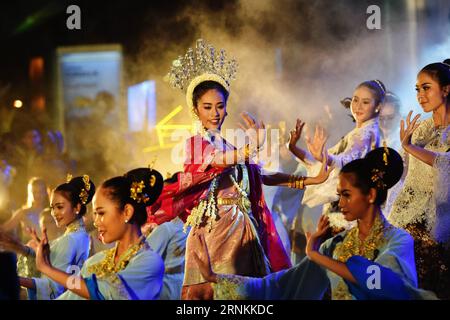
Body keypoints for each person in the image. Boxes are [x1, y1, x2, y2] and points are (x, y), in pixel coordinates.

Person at [149, 39, 331, 300]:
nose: (215, 113)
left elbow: (261, 176)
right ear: (195, 110)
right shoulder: (196, 145)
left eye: (220, 106)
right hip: (213, 231)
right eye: (207, 107)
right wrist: (247, 149)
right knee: (218, 295)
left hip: (243, 227)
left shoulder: (227, 145)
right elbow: (217, 161)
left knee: (249, 296)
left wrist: (311, 180)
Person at [193, 147, 437, 300]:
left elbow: (383, 284)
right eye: (339, 194)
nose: (340, 202)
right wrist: (216, 277)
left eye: (347, 194)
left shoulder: (398, 240)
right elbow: (281, 285)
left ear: (371, 195)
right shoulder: (335, 246)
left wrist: (315, 255)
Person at [35, 167, 165, 300]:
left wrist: (47, 268)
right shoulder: (94, 262)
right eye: (95, 214)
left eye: (101, 213)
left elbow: (104, 292)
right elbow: (72, 295)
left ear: (127, 212)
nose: (96, 222)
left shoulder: (149, 262)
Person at [388, 60, 450, 299]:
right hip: (408, 220)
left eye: (426, 88)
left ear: (446, 89)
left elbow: (445, 164)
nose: (420, 95)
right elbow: (402, 172)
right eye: (417, 89)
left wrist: (409, 146)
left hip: (439, 226)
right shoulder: (420, 128)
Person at [288, 80, 384, 232]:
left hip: (348, 211)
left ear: (378, 106)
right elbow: (320, 161)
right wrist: (293, 147)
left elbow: (345, 161)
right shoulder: (359, 132)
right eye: (355, 100)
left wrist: (324, 157)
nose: (358, 106)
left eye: (365, 102)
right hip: (343, 206)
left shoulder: (365, 133)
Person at [0, 175, 94, 299]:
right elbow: (55, 262)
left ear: (77, 207)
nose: (54, 213)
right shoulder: (80, 236)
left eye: (59, 207)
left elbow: (53, 287)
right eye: (52, 208)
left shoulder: (70, 240)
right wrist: (24, 250)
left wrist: (11, 279)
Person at [2, 177, 49, 243]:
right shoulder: (23, 213)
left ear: (46, 192)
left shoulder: (51, 212)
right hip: (29, 251)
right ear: (30, 193)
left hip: (49, 251)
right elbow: (3, 229)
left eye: (40, 191)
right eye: (34, 192)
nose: (38, 195)